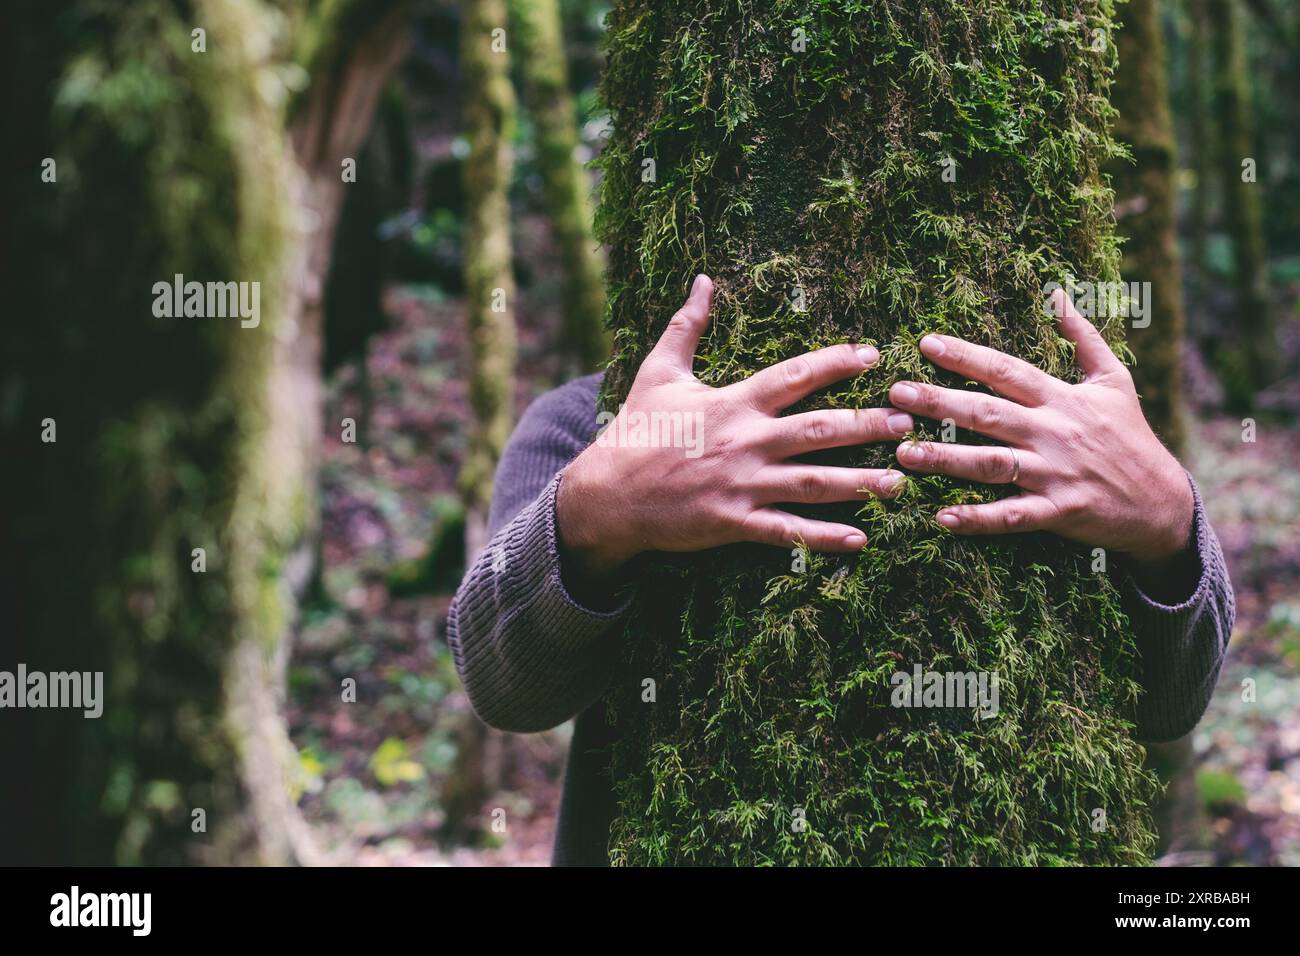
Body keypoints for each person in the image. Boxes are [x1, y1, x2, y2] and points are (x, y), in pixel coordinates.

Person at [447, 274, 1234, 865]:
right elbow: (504, 686)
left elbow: (1170, 706)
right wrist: (592, 511)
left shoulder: (1065, 435)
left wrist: (1169, 519)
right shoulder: (589, 424)